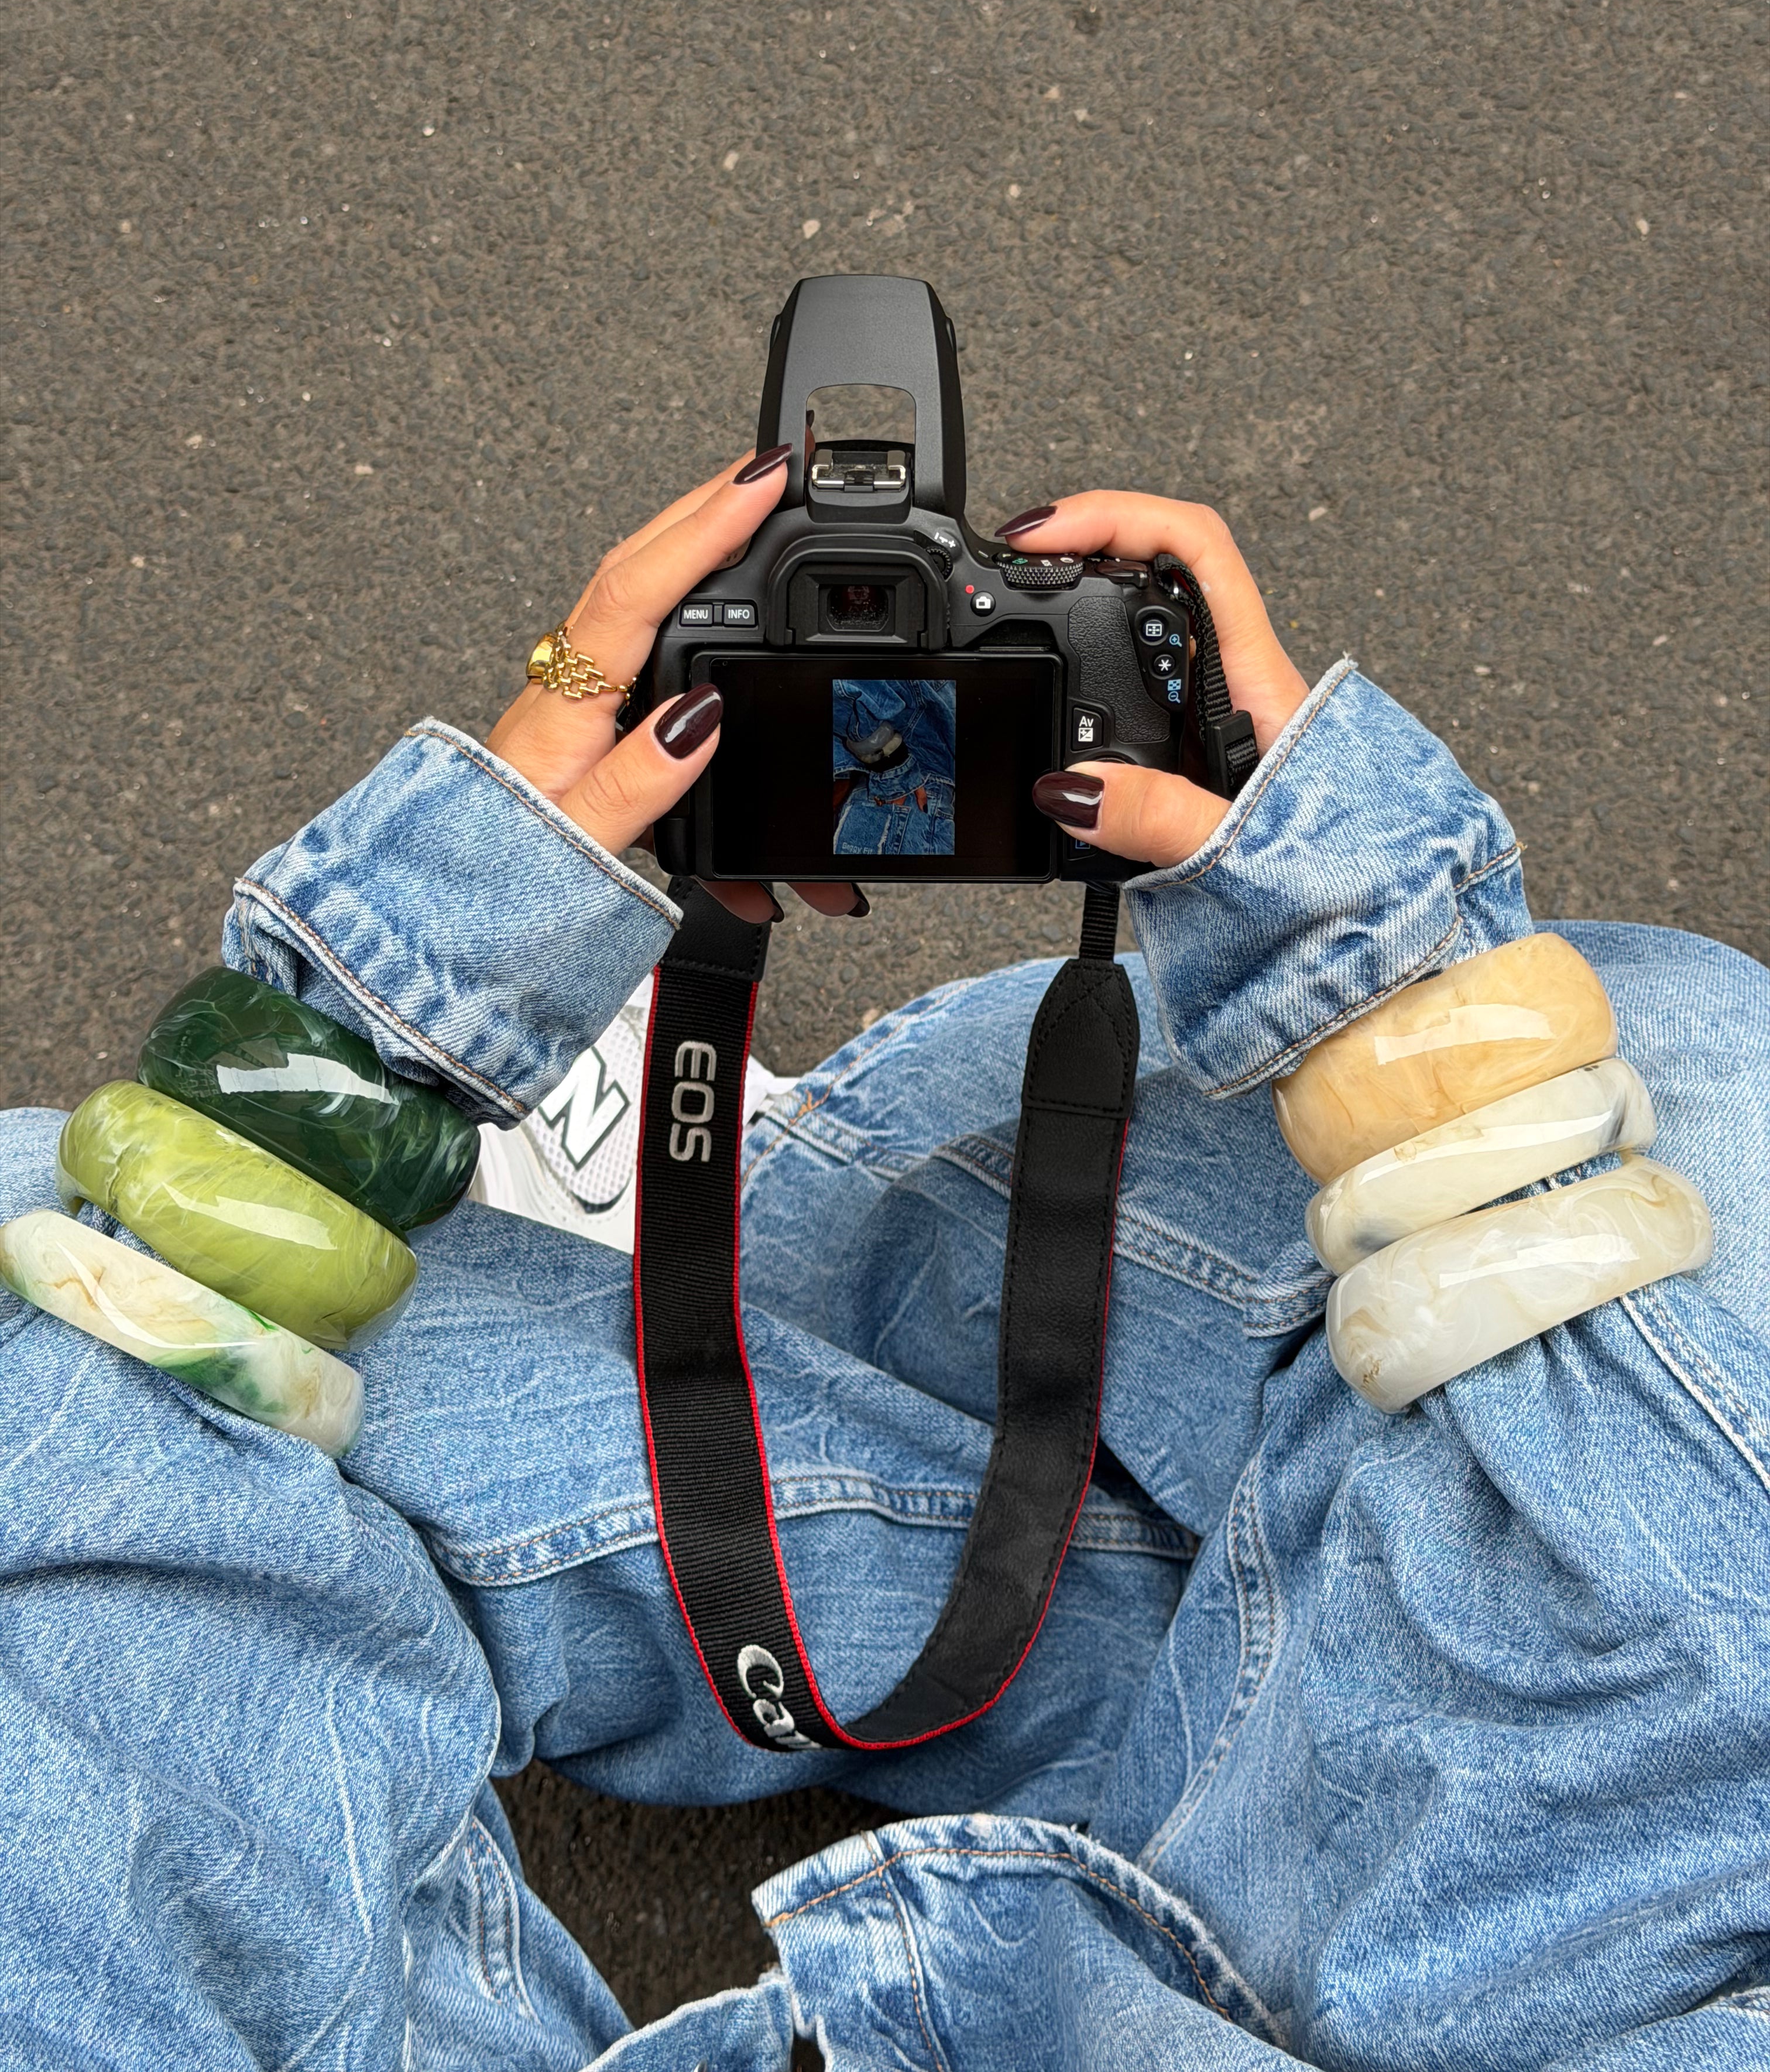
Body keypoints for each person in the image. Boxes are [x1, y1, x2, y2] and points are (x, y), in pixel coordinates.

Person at [2, 449, 1766, 2072]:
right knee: (1656, 1069)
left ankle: (831, 1272)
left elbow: (107, 1616)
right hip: (1374, 1869)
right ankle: (1160, 1556)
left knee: (72, 1277)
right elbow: (1648, 1753)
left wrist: (350, 1059)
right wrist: (1403, 1009)